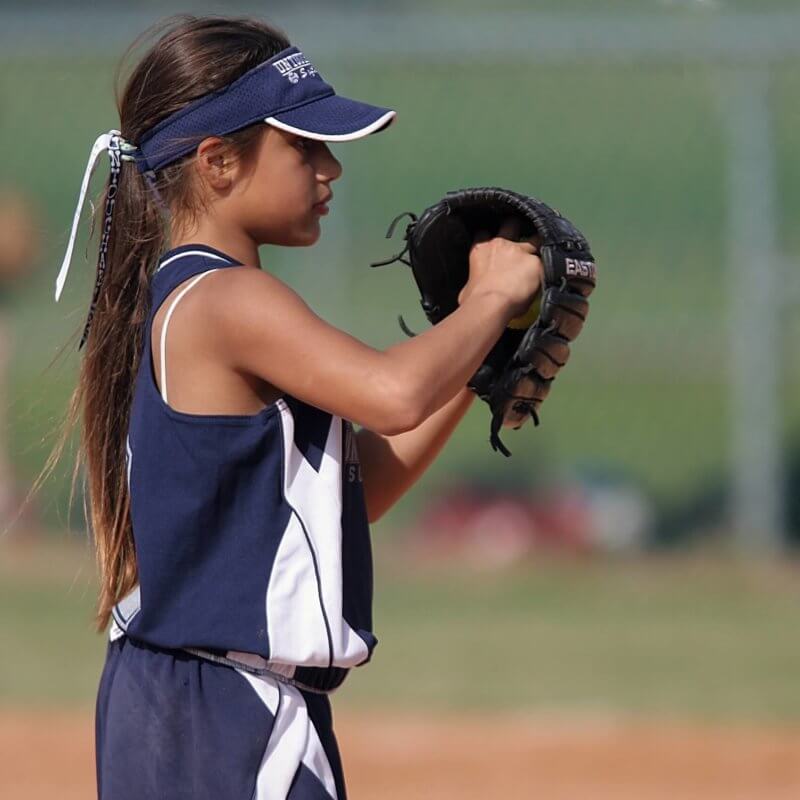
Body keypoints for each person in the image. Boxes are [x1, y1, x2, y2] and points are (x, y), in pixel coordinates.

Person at [45, 14, 543, 800]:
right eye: (303, 146)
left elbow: (362, 485)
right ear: (216, 162)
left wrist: (477, 356)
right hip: (224, 718)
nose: (329, 169)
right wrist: (488, 300)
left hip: (204, 708)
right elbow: (393, 393)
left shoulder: (200, 296)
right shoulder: (227, 299)